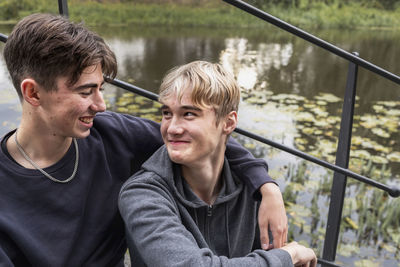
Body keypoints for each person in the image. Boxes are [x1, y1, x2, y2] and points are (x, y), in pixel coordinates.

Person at [0, 13, 288, 267]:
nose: (100, 105)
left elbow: (208, 138)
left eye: (101, 89)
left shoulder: (114, 134)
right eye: (86, 92)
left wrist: (265, 185)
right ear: (33, 93)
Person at [118, 61, 317, 266]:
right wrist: (288, 256)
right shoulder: (142, 193)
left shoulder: (252, 189)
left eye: (189, 114)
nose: (172, 128)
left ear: (229, 123)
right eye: (167, 113)